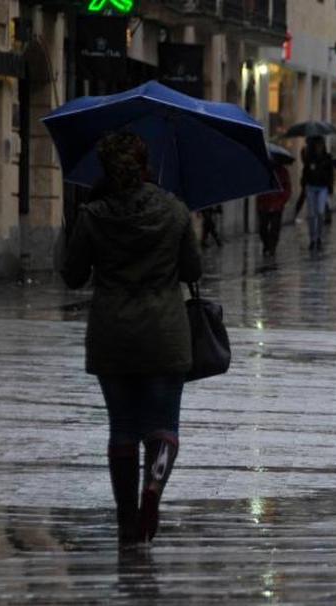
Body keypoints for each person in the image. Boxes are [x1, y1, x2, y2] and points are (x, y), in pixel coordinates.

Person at [59, 132, 202, 546]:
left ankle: (126, 522)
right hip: (164, 334)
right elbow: (192, 270)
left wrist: (73, 228)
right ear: (145, 167)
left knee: (122, 428)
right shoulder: (175, 211)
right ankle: (152, 490)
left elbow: (72, 276)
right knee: (163, 427)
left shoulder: (93, 215)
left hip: (113, 334)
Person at [300, 136, 334, 251]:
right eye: (317, 145)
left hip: (322, 188)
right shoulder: (309, 158)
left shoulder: (327, 158)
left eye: (321, 145)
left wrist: (330, 188)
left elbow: (330, 174)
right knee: (311, 215)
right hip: (311, 187)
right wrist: (303, 185)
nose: (319, 147)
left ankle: (318, 237)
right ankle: (312, 239)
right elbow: (305, 172)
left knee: (320, 212)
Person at [256, 159, 292, 257]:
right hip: (264, 204)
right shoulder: (263, 169)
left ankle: (271, 248)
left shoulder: (283, 172)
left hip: (277, 205)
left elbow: (287, 189)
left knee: (274, 229)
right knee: (262, 228)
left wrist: (281, 200)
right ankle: (267, 245)